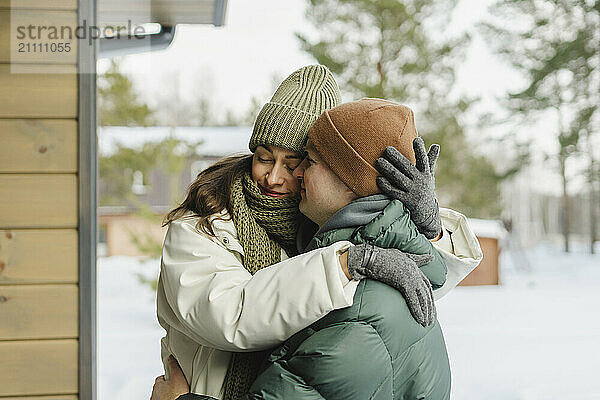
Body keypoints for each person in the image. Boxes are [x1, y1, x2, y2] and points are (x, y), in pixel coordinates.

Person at [155, 66, 454, 400]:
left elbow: (417, 287)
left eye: (300, 161)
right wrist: (346, 263)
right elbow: (228, 314)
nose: (274, 177)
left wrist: (428, 228)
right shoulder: (204, 225)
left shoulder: (324, 232)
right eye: (264, 157)